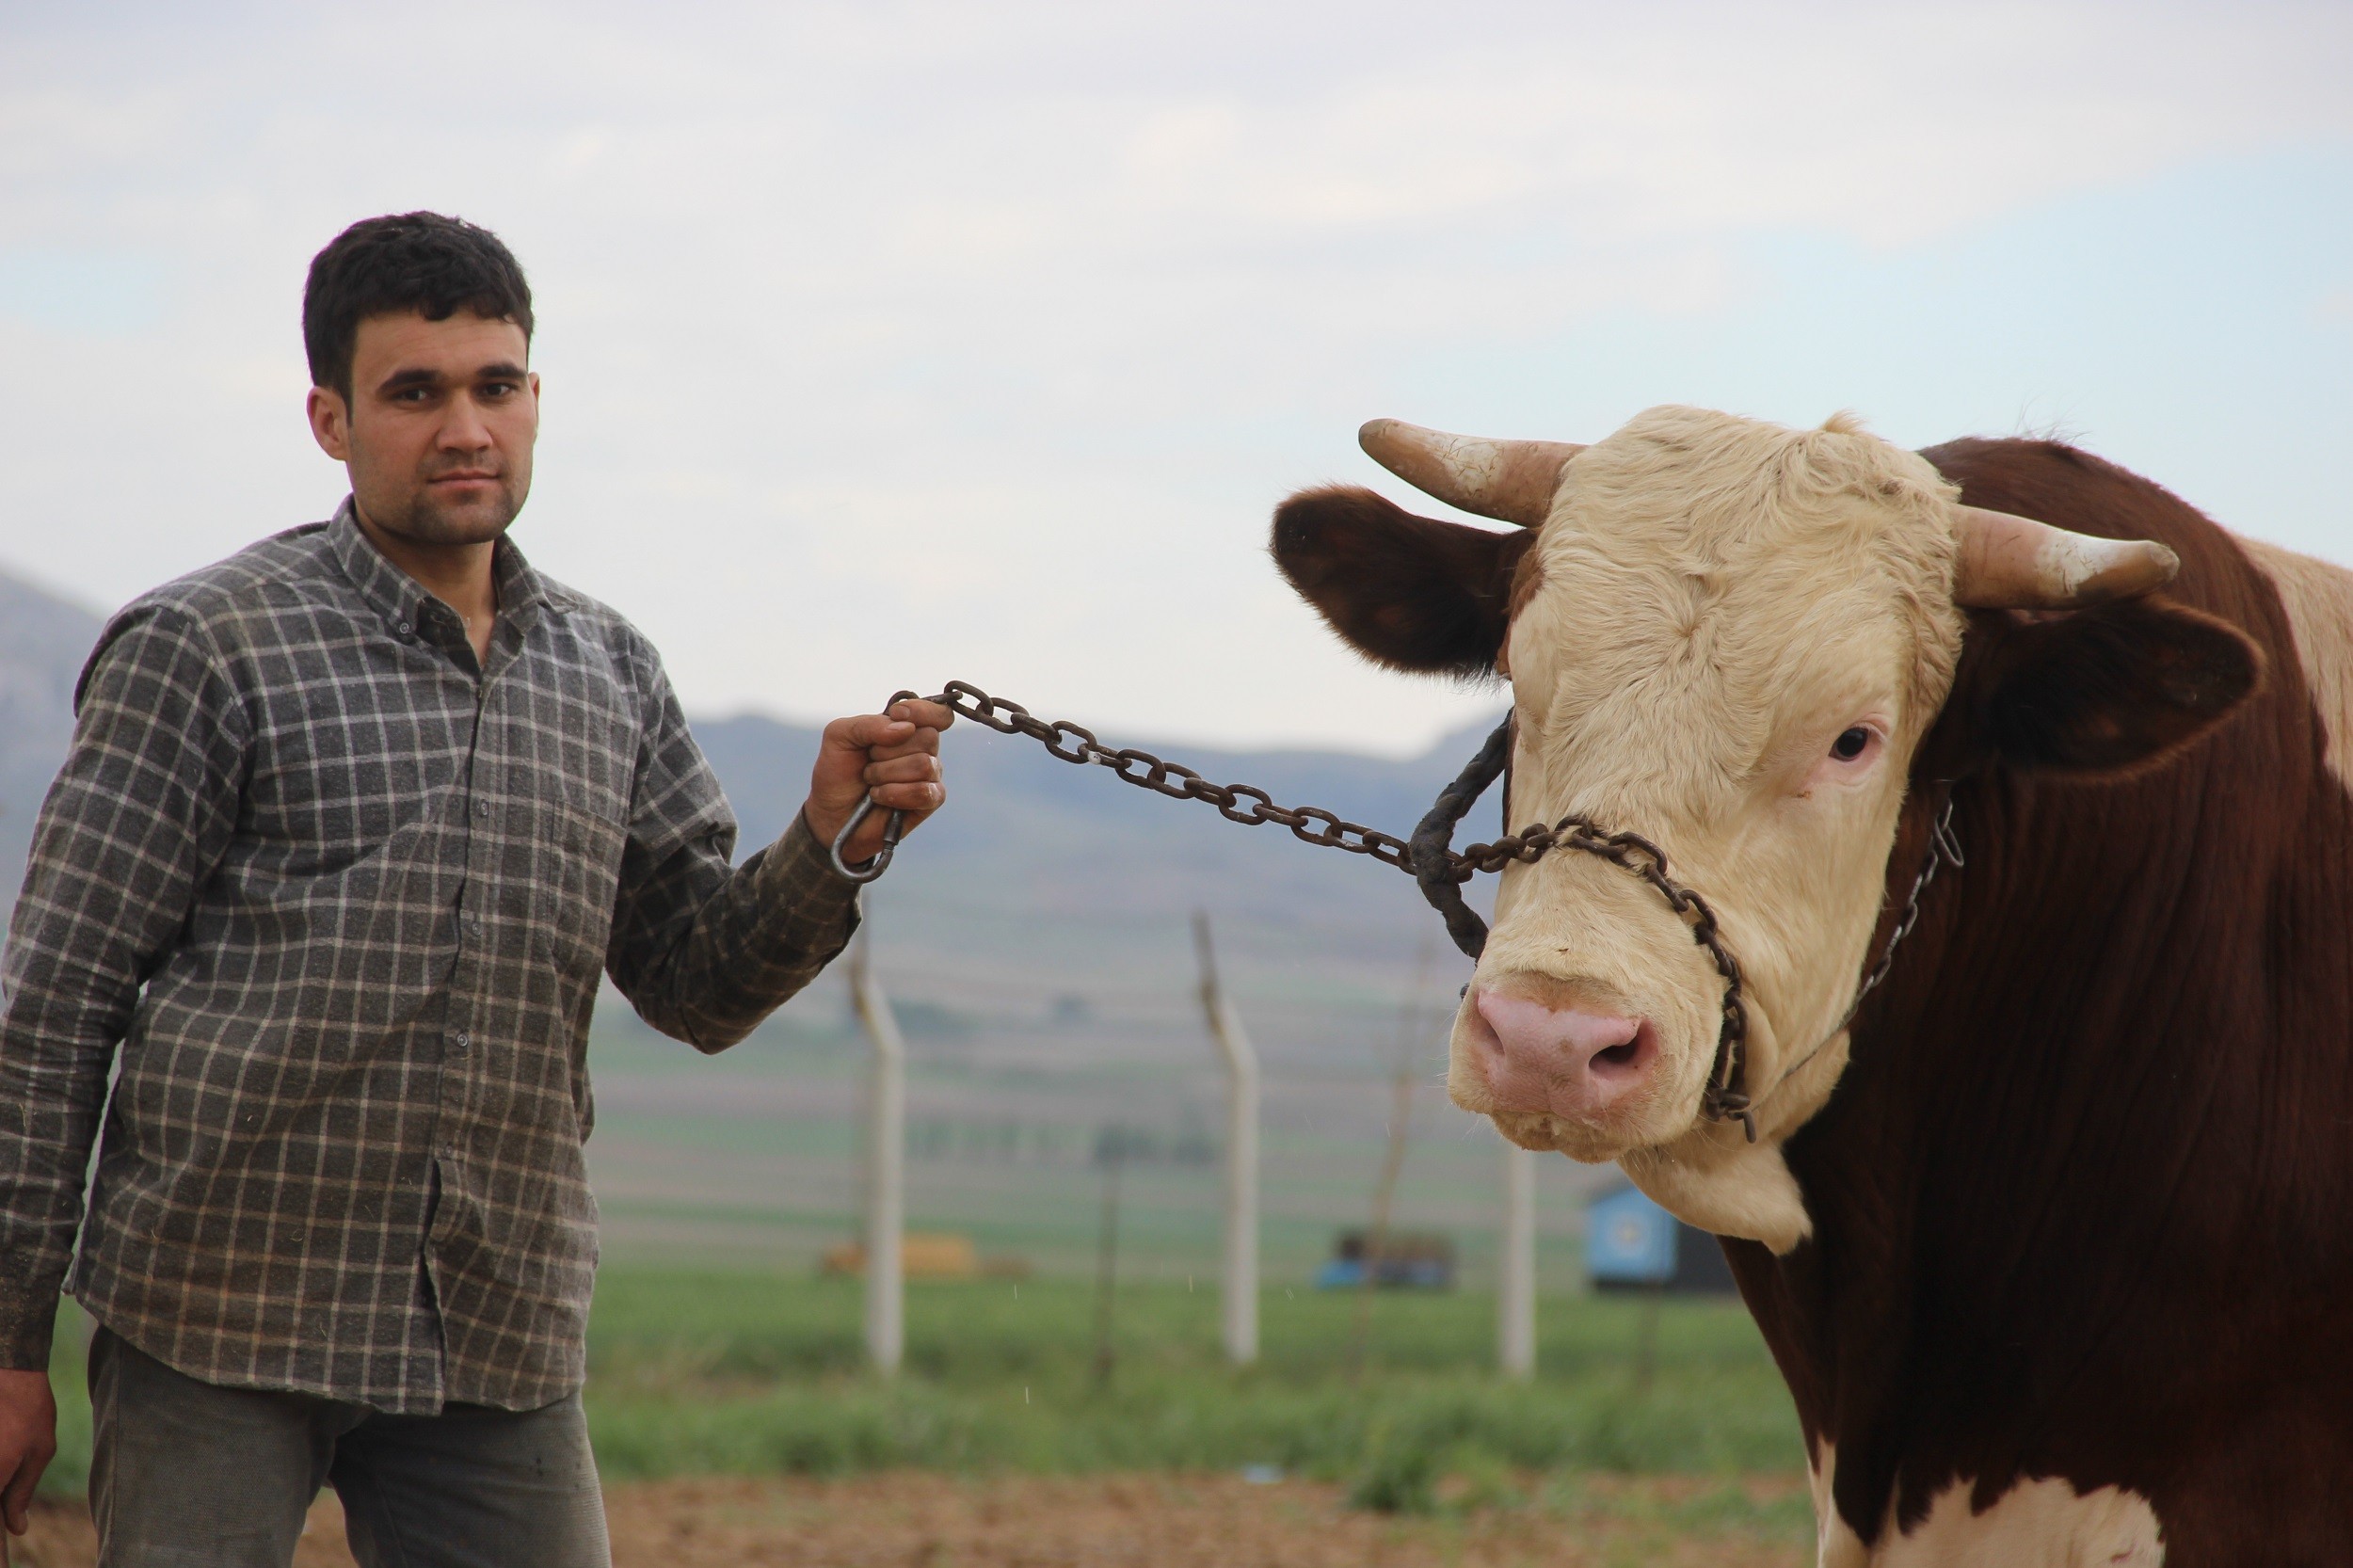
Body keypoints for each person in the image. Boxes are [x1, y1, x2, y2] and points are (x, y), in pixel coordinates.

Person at [0, 211, 950, 1566]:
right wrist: (8, 1344)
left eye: (494, 387)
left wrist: (829, 839)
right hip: (218, 1313)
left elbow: (694, 982)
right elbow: (55, 1006)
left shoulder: (607, 671)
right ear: (330, 419)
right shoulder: (205, 646)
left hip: (495, 1332)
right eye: (415, 392)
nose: (465, 429)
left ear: (535, 399)